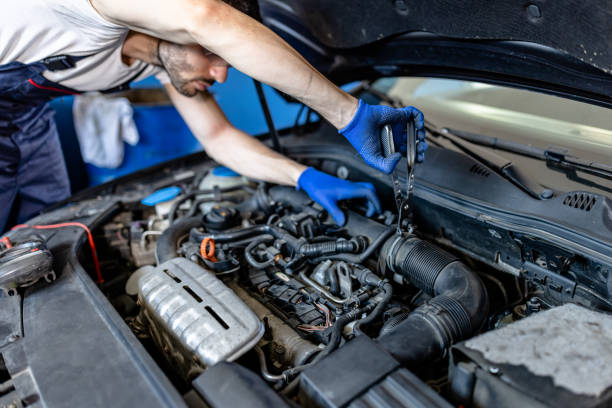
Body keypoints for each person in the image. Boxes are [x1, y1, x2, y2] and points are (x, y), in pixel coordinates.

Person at [0, 0, 426, 233]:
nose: (220, 74)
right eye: (212, 55)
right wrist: (350, 115)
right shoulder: (93, 7)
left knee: (43, 236)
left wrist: (303, 177)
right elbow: (206, 15)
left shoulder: (157, 65)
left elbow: (219, 137)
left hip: (26, 121)